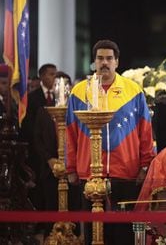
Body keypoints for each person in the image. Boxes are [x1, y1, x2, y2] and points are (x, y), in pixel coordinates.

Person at [66, 39, 155, 245]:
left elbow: (146, 132)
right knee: (92, 233)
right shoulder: (79, 92)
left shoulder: (133, 91)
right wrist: (71, 167)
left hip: (125, 173)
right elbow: (69, 133)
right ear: (94, 62)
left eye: (108, 58)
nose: (104, 62)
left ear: (117, 62)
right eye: (100, 58)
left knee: (123, 234)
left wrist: (145, 165)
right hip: (89, 174)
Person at [32, 71, 81, 238]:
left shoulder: (78, 112)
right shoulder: (44, 111)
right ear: (54, 88)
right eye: (59, 85)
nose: (63, 89)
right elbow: (37, 139)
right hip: (50, 168)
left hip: (73, 168)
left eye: (66, 85)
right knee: (51, 207)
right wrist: (49, 159)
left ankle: (73, 238)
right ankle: (51, 238)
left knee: (74, 206)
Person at [19, 63, 57, 238]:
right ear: (42, 76)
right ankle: (39, 225)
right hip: (37, 153)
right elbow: (30, 128)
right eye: (50, 74)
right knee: (39, 191)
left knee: (52, 194)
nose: (54, 78)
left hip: (55, 154)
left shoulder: (59, 96)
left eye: (55, 74)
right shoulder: (32, 97)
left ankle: (53, 227)